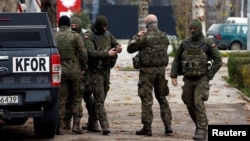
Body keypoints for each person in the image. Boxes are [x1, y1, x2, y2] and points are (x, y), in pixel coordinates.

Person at [170, 19, 222, 140]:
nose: (193, 31)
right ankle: (200, 124)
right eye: (191, 29)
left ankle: (201, 130)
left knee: (198, 102)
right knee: (189, 103)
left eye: (195, 29)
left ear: (200, 29)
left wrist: (209, 75)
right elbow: (177, 59)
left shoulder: (208, 43)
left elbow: (218, 61)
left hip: (202, 78)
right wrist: (173, 75)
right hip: (188, 78)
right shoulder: (185, 43)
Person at [127, 14, 173, 136]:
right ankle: (168, 125)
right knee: (162, 98)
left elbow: (130, 48)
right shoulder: (164, 36)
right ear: (156, 23)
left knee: (147, 100)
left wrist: (137, 36)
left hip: (147, 72)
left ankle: (147, 128)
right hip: (161, 71)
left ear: (147, 25)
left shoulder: (145, 37)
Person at [83, 15, 122, 135]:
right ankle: (105, 125)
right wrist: (107, 54)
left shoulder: (108, 34)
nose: (105, 29)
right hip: (94, 72)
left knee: (101, 98)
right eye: (103, 27)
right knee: (99, 99)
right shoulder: (89, 36)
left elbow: (115, 43)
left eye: (106, 27)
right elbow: (91, 53)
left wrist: (117, 48)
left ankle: (92, 123)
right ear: (98, 26)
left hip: (106, 71)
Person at [55, 15, 87, 135]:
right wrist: (84, 67)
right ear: (69, 25)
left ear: (59, 25)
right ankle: (76, 125)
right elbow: (83, 54)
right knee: (77, 98)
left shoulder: (54, 36)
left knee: (61, 99)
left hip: (60, 71)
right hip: (75, 70)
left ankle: (60, 126)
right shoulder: (75, 36)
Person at [70, 16, 101, 132]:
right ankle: (93, 123)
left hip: (76, 74)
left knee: (73, 100)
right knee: (88, 100)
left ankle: (70, 124)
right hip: (85, 73)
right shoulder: (87, 37)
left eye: (74, 25)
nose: (73, 27)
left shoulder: (69, 37)